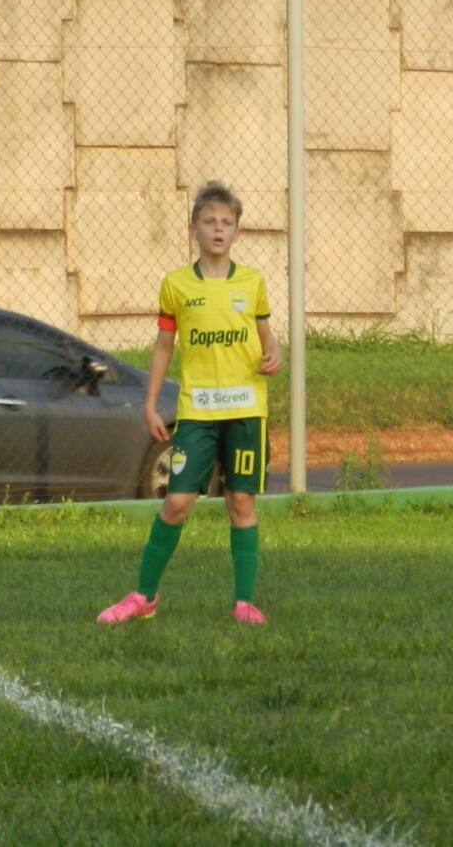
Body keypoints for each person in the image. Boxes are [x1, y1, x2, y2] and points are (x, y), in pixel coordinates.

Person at [98, 181, 282, 625]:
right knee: (176, 502)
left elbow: (266, 335)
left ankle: (244, 603)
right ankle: (144, 595)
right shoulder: (176, 285)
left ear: (237, 231)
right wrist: (150, 405)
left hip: (245, 409)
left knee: (240, 501)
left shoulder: (252, 282)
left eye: (226, 223)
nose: (218, 229)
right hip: (198, 412)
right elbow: (164, 345)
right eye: (209, 221)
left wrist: (274, 352)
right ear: (193, 229)